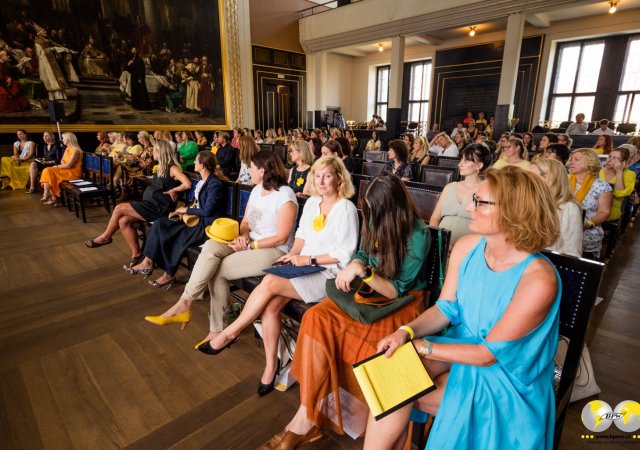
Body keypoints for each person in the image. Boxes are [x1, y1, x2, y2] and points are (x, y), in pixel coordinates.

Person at [364, 166, 561, 450]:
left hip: (506, 375)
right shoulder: (467, 247)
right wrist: (405, 332)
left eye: (479, 202)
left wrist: (422, 347)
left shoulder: (538, 278)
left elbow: (486, 355)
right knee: (391, 376)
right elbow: (445, 309)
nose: (468, 207)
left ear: (513, 210)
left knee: (398, 390)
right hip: (459, 347)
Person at [262, 174, 430, 448]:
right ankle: (307, 411)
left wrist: (362, 271)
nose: (371, 216)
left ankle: (312, 420)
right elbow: (363, 253)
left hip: (401, 301)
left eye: (375, 209)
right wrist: (356, 263)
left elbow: (397, 289)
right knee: (316, 317)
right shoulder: (376, 216)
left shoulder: (418, 235)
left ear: (392, 207)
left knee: (363, 342)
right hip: (369, 289)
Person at [190, 156, 358, 397]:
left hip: (329, 272)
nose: (321, 181)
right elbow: (301, 235)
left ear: (339, 178)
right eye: (317, 175)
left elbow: (345, 253)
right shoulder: (312, 203)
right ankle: (271, 366)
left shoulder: (346, 208)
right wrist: (292, 255)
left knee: (269, 282)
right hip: (303, 264)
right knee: (269, 308)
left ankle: (230, 332)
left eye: (327, 175)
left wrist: (307, 260)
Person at [144, 150, 298, 345]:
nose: (248, 170)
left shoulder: (285, 195)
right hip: (249, 241)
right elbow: (245, 222)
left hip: (274, 251)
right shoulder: (257, 189)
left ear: (262, 169)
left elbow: (281, 237)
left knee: (216, 271)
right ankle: (186, 303)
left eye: (251, 167)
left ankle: (215, 328)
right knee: (210, 245)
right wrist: (243, 236)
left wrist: (250, 244)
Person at [127, 151, 228, 288]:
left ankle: (168, 274)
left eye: (196, 161)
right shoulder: (203, 181)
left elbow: (208, 211)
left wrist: (185, 210)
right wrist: (180, 213)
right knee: (159, 224)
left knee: (177, 238)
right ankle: (148, 262)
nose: (193, 163)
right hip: (194, 220)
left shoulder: (214, 184)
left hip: (205, 225)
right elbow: (197, 203)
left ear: (203, 166)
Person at [85, 140, 192, 267]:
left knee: (119, 207)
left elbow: (187, 184)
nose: (152, 152)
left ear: (160, 152)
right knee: (123, 221)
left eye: (154, 150)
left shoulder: (173, 168)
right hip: (150, 204)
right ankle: (136, 254)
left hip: (158, 209)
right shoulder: (161, 167)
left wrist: (174, 190)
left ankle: (106, 237)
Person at [429, 143, 492, 246]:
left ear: (479, 165)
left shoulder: (486, 190)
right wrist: (439, 242)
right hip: (441, 245)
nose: (459, 164)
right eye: (461, 160)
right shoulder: (449, 187)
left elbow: (488, 227)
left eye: (466, 161)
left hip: (469, 247)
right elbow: (434, 219)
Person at [530, 158, 583, 257]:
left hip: (549, 263)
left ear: (550, 178)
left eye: (531, 177)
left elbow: (572, 252)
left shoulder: (568, 208)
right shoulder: (529, 201)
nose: (526, 181)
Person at [568, 148, 613, 259]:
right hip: (562, 231)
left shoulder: (601, 186)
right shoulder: (563, 179)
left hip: (586, 234)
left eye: (576, 159)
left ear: (589, 162)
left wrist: (587, 224)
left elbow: (604, 212)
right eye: (571, 159)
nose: (571, 162)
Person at [39, 132, 82, 205]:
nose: (62, 140)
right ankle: (50, 196)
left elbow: (69, 166)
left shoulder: (76, 151)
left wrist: (58, 166)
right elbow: (62, 160)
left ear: (68, 139)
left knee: (49, 171)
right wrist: (64, 165)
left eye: (63, 138)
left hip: (72, 173)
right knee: (48, 171)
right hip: (65, 170)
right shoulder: (68, 148)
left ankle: (50, 196)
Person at [599, 147, 635, 221]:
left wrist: (619, 172)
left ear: (623, 162)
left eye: (615, 158)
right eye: (609, 156)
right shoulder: (598, 170)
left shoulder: (630, 174)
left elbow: (619, 194)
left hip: (610, 211)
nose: (609, 160)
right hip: (590, 208)